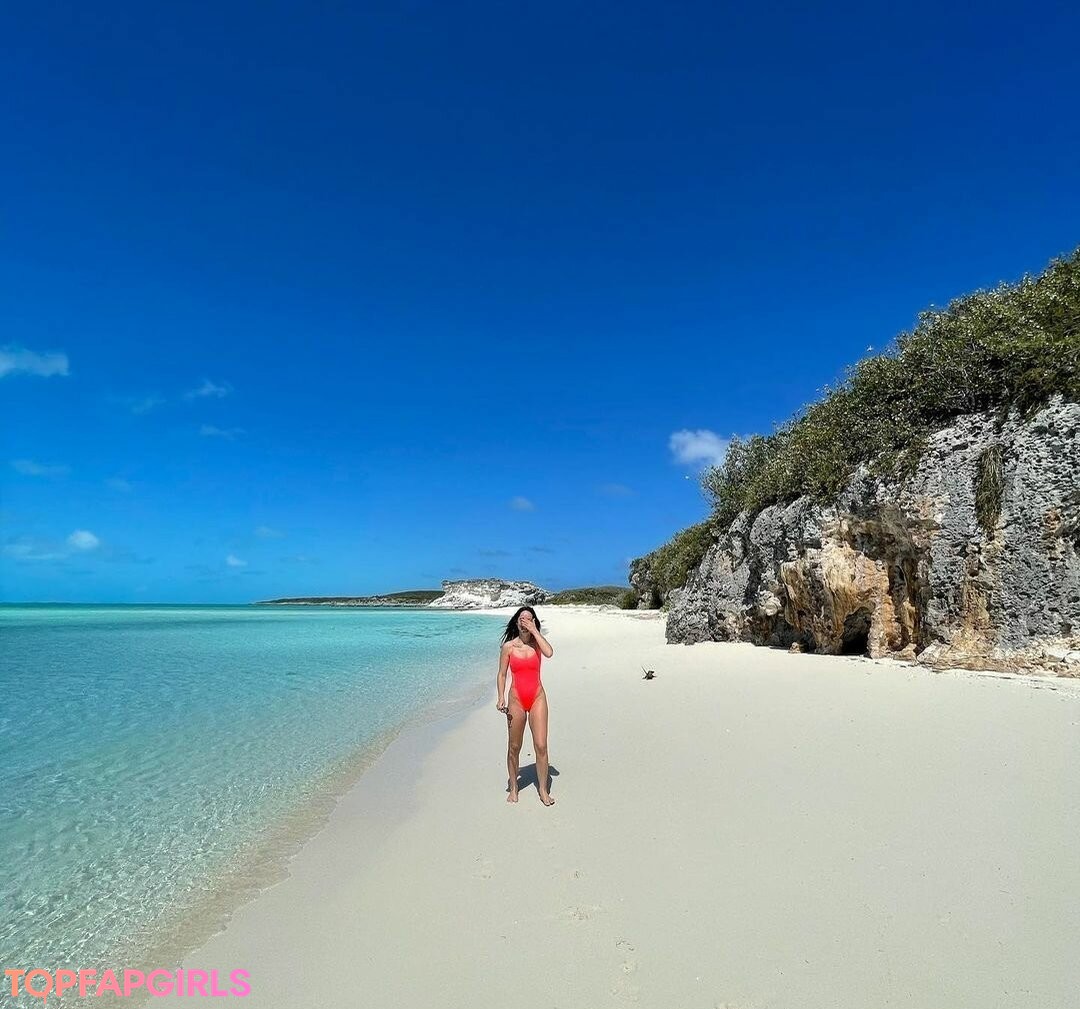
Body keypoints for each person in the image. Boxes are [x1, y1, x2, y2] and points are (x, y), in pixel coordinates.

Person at [496, 605, 555, 805]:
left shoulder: (537, 644)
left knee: (541, 745)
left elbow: (549, 652)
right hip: (516, 700)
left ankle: (543, 790)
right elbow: (502, 674)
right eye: (522, 619)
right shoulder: (509, 647)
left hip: (537, 697)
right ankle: (514, 788)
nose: (525, 622)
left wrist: (535, 631)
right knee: (514, 746)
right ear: (516, 622)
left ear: (534, 622)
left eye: (529, 619)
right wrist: (501, 697)